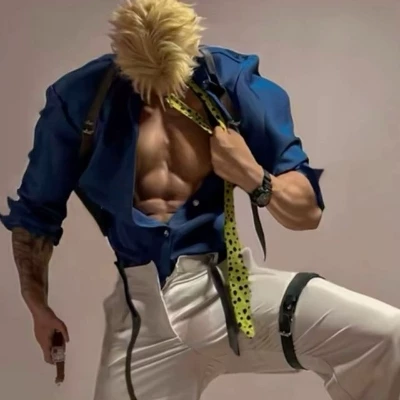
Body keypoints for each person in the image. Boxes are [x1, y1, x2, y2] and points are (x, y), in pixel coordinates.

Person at [2, 0, 400, 399]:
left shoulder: (232, 84)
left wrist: (253, 175)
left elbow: (307, 211)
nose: (158, 99)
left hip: (229, 292)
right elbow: (36, 217)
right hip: (144, 313)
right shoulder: (80, 100)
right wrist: (38, 306)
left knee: (386, 336)